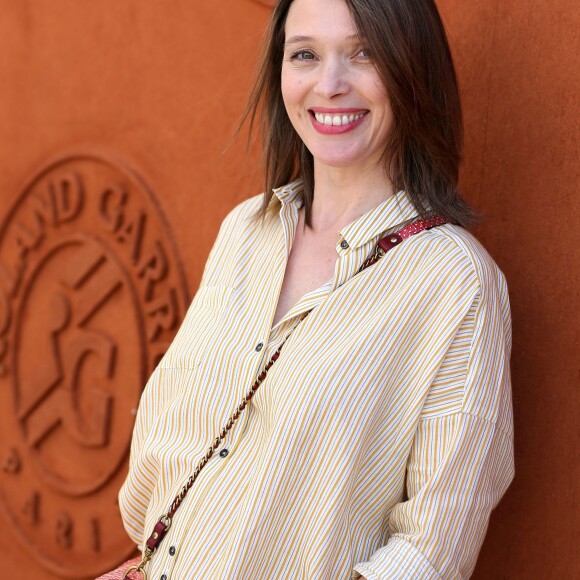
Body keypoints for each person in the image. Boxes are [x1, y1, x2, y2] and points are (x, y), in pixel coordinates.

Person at [101, 0, 514, 578]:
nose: (330, 83)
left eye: (364, 52)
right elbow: (177, 436)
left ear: (410, 67)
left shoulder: (456, 283)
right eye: (305, 55)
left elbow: (432, 550)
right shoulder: (247, 229)